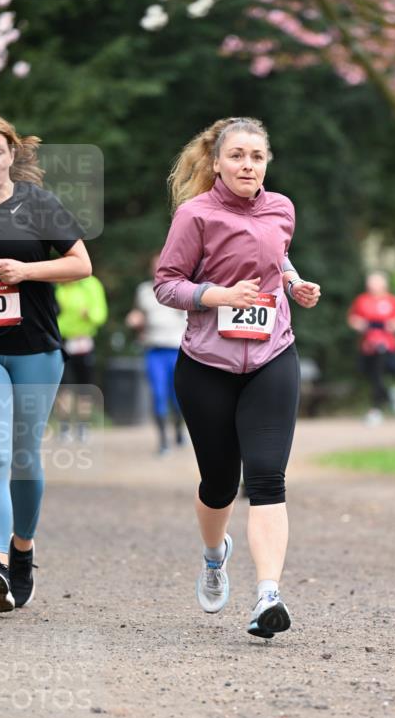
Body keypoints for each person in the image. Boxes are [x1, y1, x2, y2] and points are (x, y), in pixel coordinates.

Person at [154, 117, 320, 638]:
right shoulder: (195, 215)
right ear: (218, 162)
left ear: (267, 163)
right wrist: (216, 296)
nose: (248, 165)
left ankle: (268, 596)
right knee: (221, 484)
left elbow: (278, 255)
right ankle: (213, 555)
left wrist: (293, 284)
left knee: (268, 477)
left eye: (257, 157)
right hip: (207, 365)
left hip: (273, 355)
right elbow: (166, 284)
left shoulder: (282, 207)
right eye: (238, 156)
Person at [0, 113, 91, 613]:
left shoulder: (38, 204)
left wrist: (28, 270)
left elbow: (81, 263)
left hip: (35, 348)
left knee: (24, 454)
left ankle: (22, 548)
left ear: (12, 154)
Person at [126, 254, 188, 454]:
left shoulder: (183, 287)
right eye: (155, 266)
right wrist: (135, 320)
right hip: (154, 350)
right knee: (158, 394)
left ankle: (179, 431)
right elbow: (138, 315)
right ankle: (163, 441)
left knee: (177, 397)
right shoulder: (144, 290)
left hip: (177, 349)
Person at [347, 271, 395, 425]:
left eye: (375, 282)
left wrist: (394, 324)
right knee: (368, 373)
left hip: (386, 344)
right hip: (367, 344)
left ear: (383, 284)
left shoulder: (392, 301)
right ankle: (390, 395)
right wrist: (359, 324)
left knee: (378, 375)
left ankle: (376, 410)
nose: (372, 285)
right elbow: (353, 318)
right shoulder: (362, 300)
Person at [55, 274, 108, 442]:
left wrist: (90, 314)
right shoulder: (58, 286)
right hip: (62, 341)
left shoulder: (92, 284)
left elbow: (100, 313)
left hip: (84, 340)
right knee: (64, 387)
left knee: (84, 386)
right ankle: (64, 427)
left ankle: (82, 426)